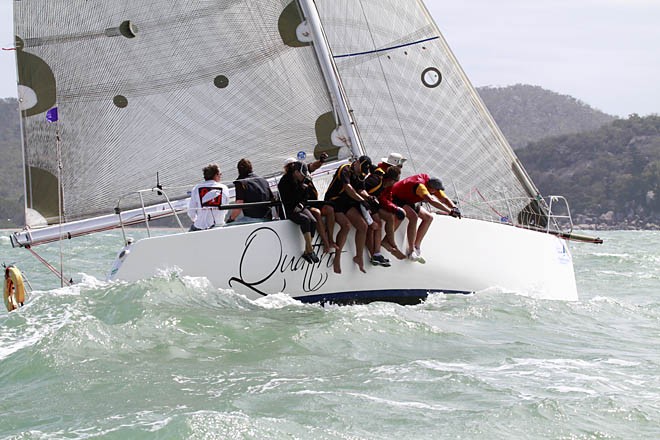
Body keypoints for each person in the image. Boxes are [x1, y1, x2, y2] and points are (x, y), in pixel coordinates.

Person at [391, 173, 461, 262]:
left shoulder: (432, 186)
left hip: (408, 200)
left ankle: (417, 247)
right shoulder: (421, 187)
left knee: (429, 218)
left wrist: (454, 208)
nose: (437, 192)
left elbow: (444, 199)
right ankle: (411, 251)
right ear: (431, 188)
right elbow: (431, 200)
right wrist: (450, 211)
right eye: (436, 190)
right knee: (413, 217)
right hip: (396, 198)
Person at [324, 155, 374, 273]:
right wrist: (361, 200)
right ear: (356, 162)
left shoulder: (360, 174)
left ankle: (359, 257)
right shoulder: (345, 169)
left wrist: (368, 197)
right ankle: (337, 257)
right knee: (346, 226)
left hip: (347, 202)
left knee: (363, 226)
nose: (361, 173)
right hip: (334, 200)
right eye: (361, 169)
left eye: (364, 172)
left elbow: (361, 190)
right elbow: (348, 188)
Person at [278, 161, 320, 264]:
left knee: (313, 221)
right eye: (302, 174)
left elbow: (305, 197)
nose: (303, 176)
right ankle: (310, 250)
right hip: (289, 209)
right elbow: (288, 199)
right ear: (296, 172)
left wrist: (301, 204)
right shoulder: (284, 182)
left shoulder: (303, 180)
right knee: (305, 220)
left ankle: (307, 251)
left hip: (300, 206)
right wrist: (301, 190)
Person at [365, 165, 406, 261]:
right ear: (391, 180)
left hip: (375, 205)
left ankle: (390, 242)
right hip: (366, 204)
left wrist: (394, 208)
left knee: (390, 217)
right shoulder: (377, 181)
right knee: (377, 223)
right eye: (396, 181)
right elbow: (380, 198)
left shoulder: (388, 185)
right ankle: (376, 253)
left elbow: (388, 198)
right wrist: (394, 208)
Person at [228, 158, 274, 223]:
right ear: (251, 168)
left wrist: (231, 219)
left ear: (239, 170)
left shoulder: (241, 183)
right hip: (268, 218)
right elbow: (272, 199)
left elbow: (239, 204)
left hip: (253, 219)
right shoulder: (263, 180)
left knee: (229, 226)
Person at [187, 164, 230, 231]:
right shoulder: (224, 188)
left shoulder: (196, 188)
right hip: (219, 227)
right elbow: (225, 211)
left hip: (200, 227)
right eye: (220, 174)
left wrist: (196, 221)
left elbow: (191, 211)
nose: (220, 176)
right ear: (216, 175)